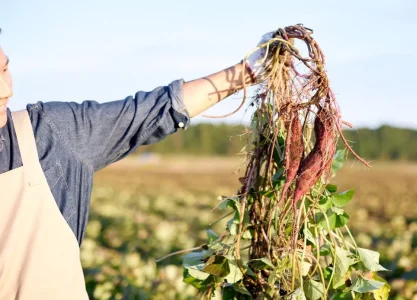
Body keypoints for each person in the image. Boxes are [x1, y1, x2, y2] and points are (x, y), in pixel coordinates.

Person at [0, 28, 277, 299]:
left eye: (4, 69)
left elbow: (151, 111)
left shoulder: (46, 133)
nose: (6, 90)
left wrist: (248, 71)